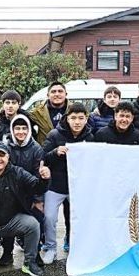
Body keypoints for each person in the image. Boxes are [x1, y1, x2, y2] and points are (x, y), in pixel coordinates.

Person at [0, 141, 51, 276]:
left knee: (33, 224)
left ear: (8, 157)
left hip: (13, 221)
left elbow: (37, 187)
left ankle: (29, 262)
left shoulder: (18, 173)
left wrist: (44, 179)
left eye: (2, 155)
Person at [40, 103, 93, 264]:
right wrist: (56, 152)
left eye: (81, 118)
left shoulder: (90, 137)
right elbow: (43, 157)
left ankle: (77, 245)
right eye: (73, 118)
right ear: (67, 119)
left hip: (77, 187)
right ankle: (50, 247)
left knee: (80, 217)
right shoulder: (55, 134)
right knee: (49, 217)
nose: (77, 122)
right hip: (55, 185)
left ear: (86, 119)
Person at [0, 114, 47, 266]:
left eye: (24, 128)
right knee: (7, 222)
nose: (20, 132)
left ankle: (34, 254)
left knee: (37, 222)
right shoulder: (5, 147)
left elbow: (37, 175)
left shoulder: (36, 149)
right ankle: (7, 253)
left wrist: (38, 200)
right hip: (9, 193)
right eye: (17, 128)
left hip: (29, 193)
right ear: (12, 130)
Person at [30, 80, 69, 145]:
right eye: (53, 92)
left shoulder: (74, 111)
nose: (57, 94)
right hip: (46, 152)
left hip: (68, 151)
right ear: (48, 95)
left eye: (60, 91)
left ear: (66, 94)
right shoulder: (37, 112)